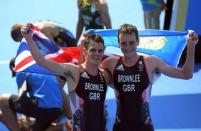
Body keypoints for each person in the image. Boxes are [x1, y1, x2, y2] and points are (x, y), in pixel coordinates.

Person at [101, 23, 199, 131]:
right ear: (118, 43)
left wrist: (191, 47)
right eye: (124, 43)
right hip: (120, 128)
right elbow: (90, 80)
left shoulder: (151, 62)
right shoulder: (110, 64)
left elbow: (186, 74)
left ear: (138, 41)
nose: (127, 47)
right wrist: (85, 46)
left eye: (131, 42)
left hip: (145, 128)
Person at [20, 23, 111, 131]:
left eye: (100, 50)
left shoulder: (105, 75)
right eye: (93, 50)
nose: (97, 54)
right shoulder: (74, 71)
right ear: (86, 51)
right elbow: (42, 61)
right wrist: (29, 38)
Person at [0, 57, 65, 131]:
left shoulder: (20, 70)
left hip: (44, 108)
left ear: (13, 68)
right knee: (32, 128)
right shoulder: (45, 70)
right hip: (56, 110)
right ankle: (64, 126)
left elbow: (22, 98)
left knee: (2, 100)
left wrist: (26, 119)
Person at [11, 20, 76, 47]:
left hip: (69, 42)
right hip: (62, 43)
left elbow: (54, 50)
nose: (24, 41)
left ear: (22, 33)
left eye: (21, 39)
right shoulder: (34, 31)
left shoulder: (41, 29)